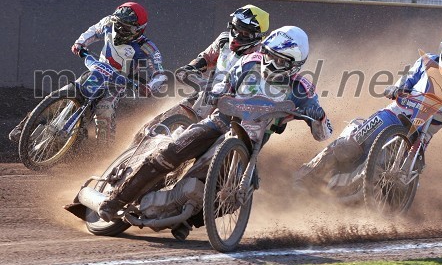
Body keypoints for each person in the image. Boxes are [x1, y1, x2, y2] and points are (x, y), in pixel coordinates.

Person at [97, 26, 334, 232]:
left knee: (234, 198)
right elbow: (224, 83)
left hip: (251, 142)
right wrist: (216, 91)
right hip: (220, 122)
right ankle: (115, 201)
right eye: (270, 55)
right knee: (170, 153)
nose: (271, 63)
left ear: (295, 65)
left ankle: (185, 221)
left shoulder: (303, 88)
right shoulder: (249, 61)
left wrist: (318, 116)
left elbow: (324, 134)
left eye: (281, 61)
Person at [295, 28, 442, 190]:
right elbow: (407, 79)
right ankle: (304, 178)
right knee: (347, 146)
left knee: (400, 180)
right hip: (394, 115)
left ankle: (371, 204)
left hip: (421, 135)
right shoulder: (426, 62)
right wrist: (396, 87)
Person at [129, 4, 270, 145]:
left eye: (245, 33)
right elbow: (206, 57)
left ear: (257, 36)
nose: (238, 35)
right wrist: (190, 68)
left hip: (237, 107)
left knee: (242, 144)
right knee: (158, 121)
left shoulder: (263, 56)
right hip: (209, 93)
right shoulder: (223, 40)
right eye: (236, 29)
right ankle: (135, 146)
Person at [70, 1, 167, 143]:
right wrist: (80, 43)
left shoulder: (147, 47)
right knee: (75, 91)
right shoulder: (109, 23)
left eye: (125, 28)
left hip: (118, 82)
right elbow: (94, 30)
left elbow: (160, 74)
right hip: (98, 70)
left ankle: (103, 148)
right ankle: (44, 119)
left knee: (104, 109)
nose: (119, 29)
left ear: (138, 29)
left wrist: (149, 87)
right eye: (118, 24)